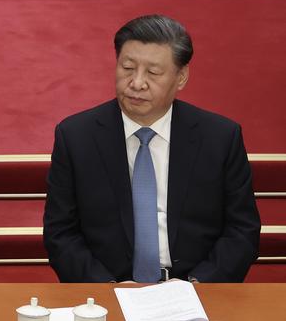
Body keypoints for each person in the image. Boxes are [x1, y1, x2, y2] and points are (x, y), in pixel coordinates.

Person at [43, 14, 260, 283]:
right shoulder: (76, 137)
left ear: (181, 77)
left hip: (195, 291)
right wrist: (107, 288)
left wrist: (199, 285)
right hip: (108, 291)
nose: (136, 83)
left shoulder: (220, 137)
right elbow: (60, 233)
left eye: (153, 73)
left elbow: (242, 230)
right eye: (127, 68)